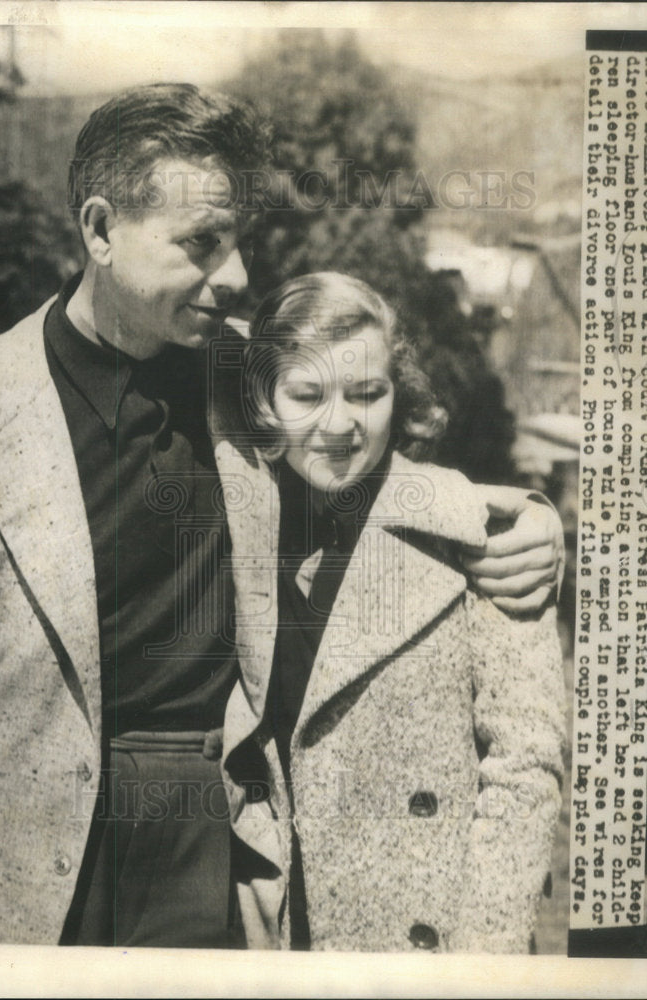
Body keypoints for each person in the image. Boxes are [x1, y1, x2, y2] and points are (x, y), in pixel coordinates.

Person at [0, 84, 563, 947]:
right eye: (200, 243)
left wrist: (523, 520)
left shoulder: (244, 371)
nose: (233, 276)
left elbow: (369, 464)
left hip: (215, 839)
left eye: (237, 242)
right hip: (22, 874)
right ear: (99, 230)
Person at [222, 272, 566, 952]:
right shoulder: (235, 526)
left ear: (397, 393)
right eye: (307, 394)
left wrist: (480, 964)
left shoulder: (479, 531)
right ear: (265, 403)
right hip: (276, 938)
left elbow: (525, 769)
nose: (339, 424)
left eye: (366, 394)